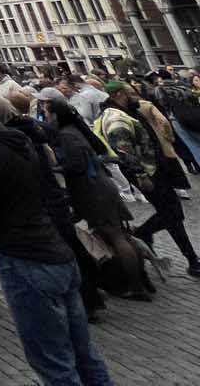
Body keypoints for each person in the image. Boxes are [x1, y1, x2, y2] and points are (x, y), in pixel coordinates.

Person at [0, 76, 114, 386]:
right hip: (54, 248)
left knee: (52, 360)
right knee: (83, 351)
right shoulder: (17, 137)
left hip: (23, 257)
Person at [40, 95, 144, 302]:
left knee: (116, 236)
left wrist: (53, 168)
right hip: (101, 185)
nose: (45, 118)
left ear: (55, 115)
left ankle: (136, 285)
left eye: (47, 114)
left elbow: (76, 164)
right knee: (119, 235)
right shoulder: (76, 130)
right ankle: (136, 280)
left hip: (93, 189)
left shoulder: (67, 136)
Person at [98, 79, 200, 276]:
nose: (135, 97)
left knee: (173, 214)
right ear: (119, 94)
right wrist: (141, 175)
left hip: (157, 168)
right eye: (131, 93)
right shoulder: (116, 118)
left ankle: (145, 233)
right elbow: (124, 151)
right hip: (149, 174)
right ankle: (191, 259)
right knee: (172, 215)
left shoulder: (129, 111)